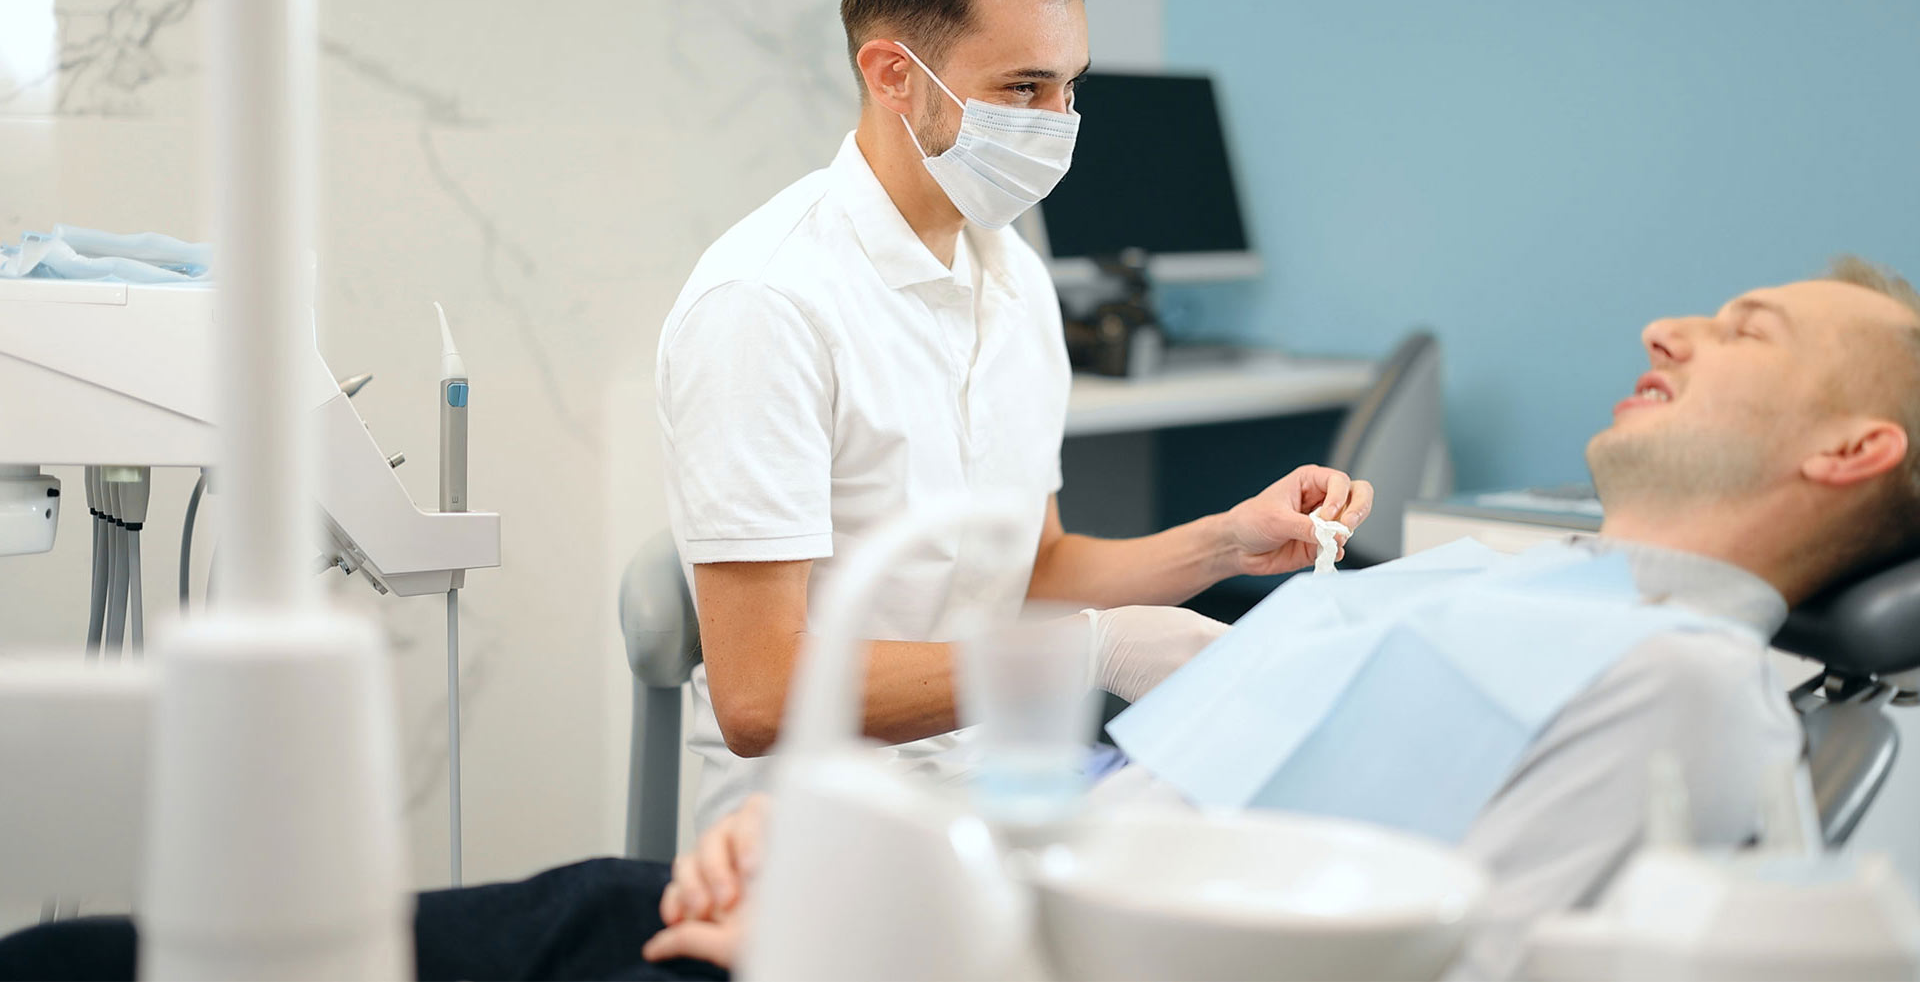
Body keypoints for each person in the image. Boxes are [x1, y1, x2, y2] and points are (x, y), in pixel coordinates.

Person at [5, 263, 1914, 980]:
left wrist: (890, 926)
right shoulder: (1488, 584)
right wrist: (844, 843)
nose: (1664, 323)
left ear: (1854, 447)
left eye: (1742, 328)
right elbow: (1153, 751)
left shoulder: (1683, 690)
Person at [655, 0, 1371, 833]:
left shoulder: (1015, 279)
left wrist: (1229, 540)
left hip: (997, 779)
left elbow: (1036, 567)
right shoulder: (766, 301)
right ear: (892, 75)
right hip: (812, 827)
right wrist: (1088, 651)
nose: (1059, 122)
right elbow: (761, 694)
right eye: (1024, 89)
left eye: (1071, 87)